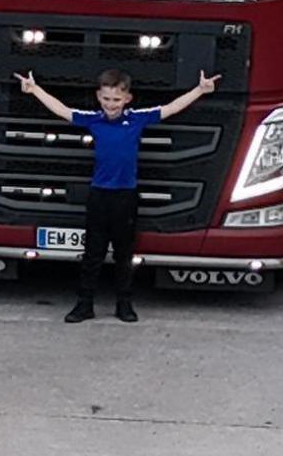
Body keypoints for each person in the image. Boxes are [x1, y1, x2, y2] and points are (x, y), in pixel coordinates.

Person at [15, 67, 220, 323]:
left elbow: (171, 108)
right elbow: (62, 110)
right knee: (93, 254)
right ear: (98, 97)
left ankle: (124, 304)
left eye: (116, 100)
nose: (111, 105)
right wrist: (35, 90)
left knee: (124, 254)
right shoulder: (93, 120)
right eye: (106, 99)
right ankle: (84, 304)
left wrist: (200, 90)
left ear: (127, 99)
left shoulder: (137, 119)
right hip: (100, 195)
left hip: (126, 195)